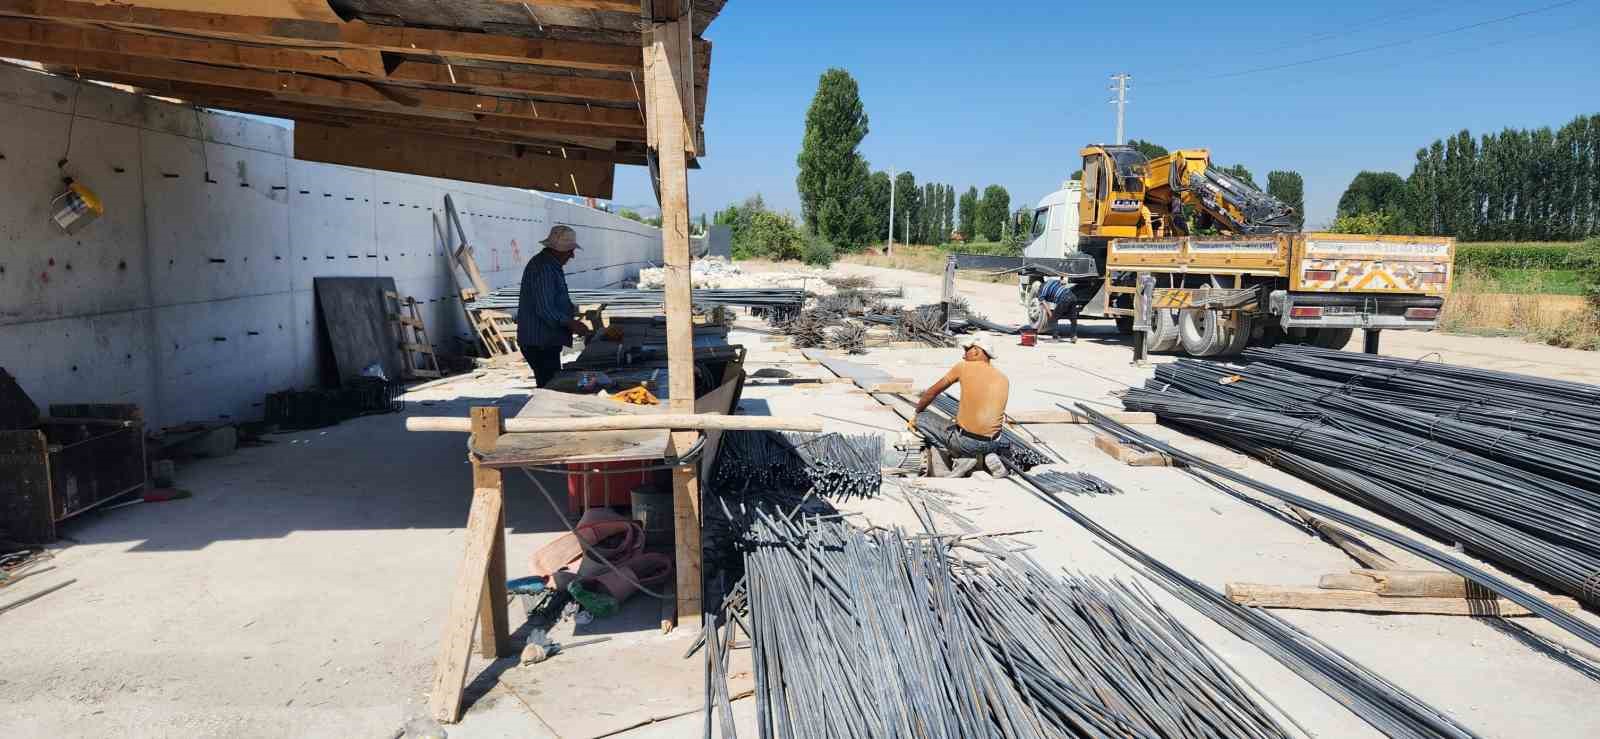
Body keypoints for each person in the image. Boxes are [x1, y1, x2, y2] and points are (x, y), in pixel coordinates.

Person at [908, 335, 1011, 478]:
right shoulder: (1003, 378)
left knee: (921, 419)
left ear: (976, 351)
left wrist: (917, 413)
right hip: (993, 442)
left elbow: (931, 393)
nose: (964, 355)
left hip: (967, 442)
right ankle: (989, 456)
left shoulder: (963, 367)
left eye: (967, 350)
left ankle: (962, 457)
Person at [517, 225, 592, 387]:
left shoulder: (550, 265)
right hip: (539, 342)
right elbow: (545, 309)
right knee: (550, 387)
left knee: (552, 385)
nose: (572, 255)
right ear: (558, 250)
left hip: (545, 340)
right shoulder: (544, 268)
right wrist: (571, 323)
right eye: (570, 251)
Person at [1034, 279, 1081, 343]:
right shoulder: (1050, 281)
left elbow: (1044, 304)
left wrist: (1050, 313)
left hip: (1063, 299)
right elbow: (1063, 282)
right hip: (1072, 296)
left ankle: (1055, 338)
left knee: (1053, 319)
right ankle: (1073, 336)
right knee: (1073, 318)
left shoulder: (1040, 292)